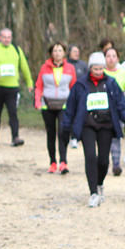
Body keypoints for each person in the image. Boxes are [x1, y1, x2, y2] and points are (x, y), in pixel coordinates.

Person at [61, 52, 125, 208]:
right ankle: (93, 193)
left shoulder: (111, 83)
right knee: (90, 157)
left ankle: (99, 184)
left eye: (101, 69)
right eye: (95, 69)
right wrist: (66, 126)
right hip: (88, 125)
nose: (98, 72)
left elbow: (120, 102)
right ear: (90, 68)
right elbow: (71, 106)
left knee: (103, 160)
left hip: (106, 125)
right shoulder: (81, 84)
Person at [0, 28, 33, 146]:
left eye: (9, 37)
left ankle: (15, 137)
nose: (7, 39)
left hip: (12, 87)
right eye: (4, 37)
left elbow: (24, 67)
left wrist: (29, 82)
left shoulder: (17, 49)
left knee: (13, 112)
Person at [34, 41, 77, 174]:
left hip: (64, 105)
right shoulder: (44, 68)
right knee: (51, 133)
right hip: (47, 104)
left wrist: (75, 104)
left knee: (63, 132)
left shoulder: (70, 68)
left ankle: (63, 162)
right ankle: (52, 162)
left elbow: (74, 87)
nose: (57, 53)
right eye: (55, 51)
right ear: (51, 53)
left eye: (60, 50)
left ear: (64, 53)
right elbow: (39, 86)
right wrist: (37, 101)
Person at [102, 47, 125, 176]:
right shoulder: (99, 72)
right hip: (102, 110)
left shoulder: (123, 73)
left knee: (116, 135)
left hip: (118, 109)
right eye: (108, 56)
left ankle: (116, 163)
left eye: (113, 56)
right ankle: (103, 161)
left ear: (118, 58)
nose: (111, 59)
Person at [66, 45, 89, 149]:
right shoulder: (65, 64)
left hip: (80, 95)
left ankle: (75, 136)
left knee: (78, 114)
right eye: (74, 51)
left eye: (78, 51)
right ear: (69, 53)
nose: (77, 53)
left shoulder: (83, 65)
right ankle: (69, 135)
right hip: (67, 94)